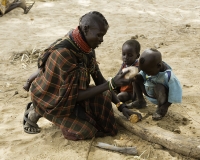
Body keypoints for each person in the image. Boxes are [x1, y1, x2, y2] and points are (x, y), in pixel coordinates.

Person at [23, 11, 142, 141]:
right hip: (52, 100)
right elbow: (76, 95)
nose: (101, 40)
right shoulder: (64, 53)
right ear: (86, 29)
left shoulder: (86, 48)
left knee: (106, 96)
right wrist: (111, 83)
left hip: (68, 96)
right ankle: (37, 110)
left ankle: (72, 114)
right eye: (99, 35)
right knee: (86, 131)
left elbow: (100, 80)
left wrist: (121, 106)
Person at [130, 48, 182, 120]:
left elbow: (175, 93)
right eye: (144, 70)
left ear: (158, 66)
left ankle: (160, 110)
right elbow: (142, 74)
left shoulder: (169, 76)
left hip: (161, 98)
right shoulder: (150, 67)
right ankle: (140, 101)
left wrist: (165, 106)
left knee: (159, 87)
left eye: (148, 71)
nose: (146, 73)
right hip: (148, 91)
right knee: (136, 78)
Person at [116, 39, 140, 103]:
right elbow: (118, 75)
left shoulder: (137, 68)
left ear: (137, 56)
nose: (126, 57)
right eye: (124, 54)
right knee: (108, 87)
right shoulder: (124, 64)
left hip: (130, 92)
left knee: (120, 97)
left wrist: (134, 97)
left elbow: (136, 83)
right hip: (122, 87)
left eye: (130, 55)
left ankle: (134, 99)